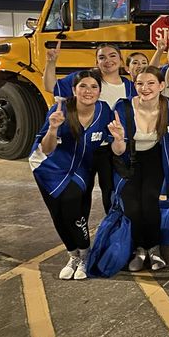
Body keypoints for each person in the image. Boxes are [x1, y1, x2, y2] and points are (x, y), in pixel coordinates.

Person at [29, 70, 113, 280]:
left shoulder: (104, 111)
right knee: (57, 214)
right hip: (49, 167)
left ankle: (84, 253)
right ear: (74, 90)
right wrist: (53, 129)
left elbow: (113, 142)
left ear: (100, 91)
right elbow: (46, 149)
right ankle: (72, 255)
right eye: (83, 86)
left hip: (81, 169)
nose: (88, 91)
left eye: (94, 87)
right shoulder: (60, 111)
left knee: (73, 208)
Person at [43, 42, 135, 214]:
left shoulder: (130, 87)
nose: (108, 60)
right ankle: (80, 227)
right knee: (81, 190)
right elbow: (50, 87)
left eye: (112, 56)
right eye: (102, 57)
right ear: (96, 62)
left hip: (110, 149)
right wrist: (51, 62)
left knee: (111, 190)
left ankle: (112, 229)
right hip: (83, 147)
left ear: (121, 60)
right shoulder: (86, 80)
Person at [107, 66, 169, 272]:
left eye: (150, 83)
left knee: (149, 202)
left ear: (161, 86)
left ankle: (154, 248)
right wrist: (119, 138)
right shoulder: (123, 107)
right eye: (140, 83)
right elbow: (117, 151)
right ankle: (140, 249)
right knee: (132, 206)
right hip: (128, 159)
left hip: (154, 159)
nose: (145, 88)